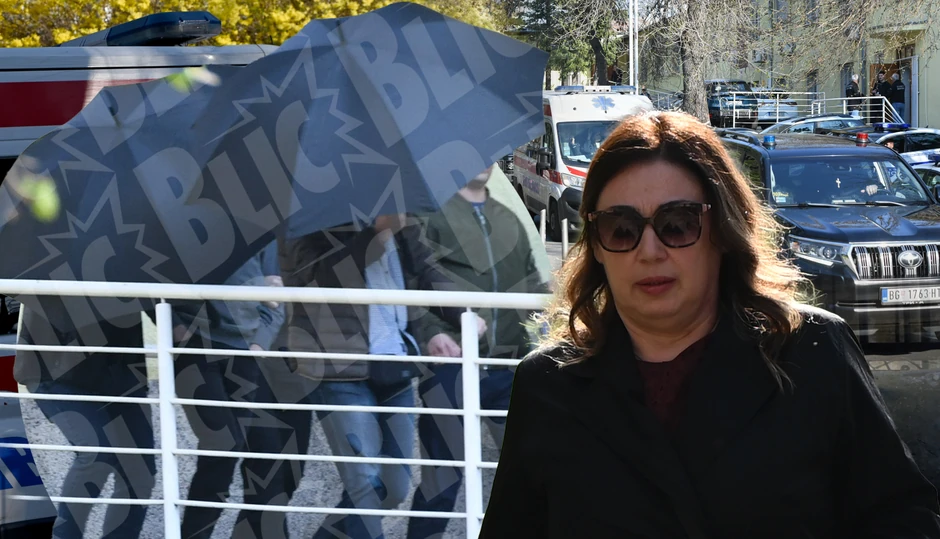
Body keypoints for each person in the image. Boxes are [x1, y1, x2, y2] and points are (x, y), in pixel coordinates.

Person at [478, 110, 940, 538]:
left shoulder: (813, 352)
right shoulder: (547, 385)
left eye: (677, 223)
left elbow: (903, 519)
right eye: (621, 228)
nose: (649, 251)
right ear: (597, 245)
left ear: (722, 230)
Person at [281, 213, 470, 539]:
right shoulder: (308, 216)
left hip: (395, 363)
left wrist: (466, 314)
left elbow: (425, 270)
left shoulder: (396, 211)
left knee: (393, 488)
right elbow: (319, 278)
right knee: (365, 484)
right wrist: (376, 234)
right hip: (339, 369)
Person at [407, 165, 550, 539]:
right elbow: (411, 286)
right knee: (442, 479)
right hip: (451, 368)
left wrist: (549, 329)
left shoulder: (509, 219)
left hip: (510, 369)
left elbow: (534, 286)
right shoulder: (429, 216)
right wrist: (431, 334)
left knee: (529, 473)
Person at [172, 241, 285, 539]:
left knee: (253, 456)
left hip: (245, 353)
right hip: (196, 349)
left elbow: (278, 298)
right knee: (222, 446)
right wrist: (175, 326)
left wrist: (259, 344)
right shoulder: (187, 223)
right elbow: (157, 280)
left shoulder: (263, 231)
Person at [14, 309, 155, 539]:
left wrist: (181, 323)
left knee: (140, 470)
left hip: (120, 372)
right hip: (54, 368)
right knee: (96, 453)